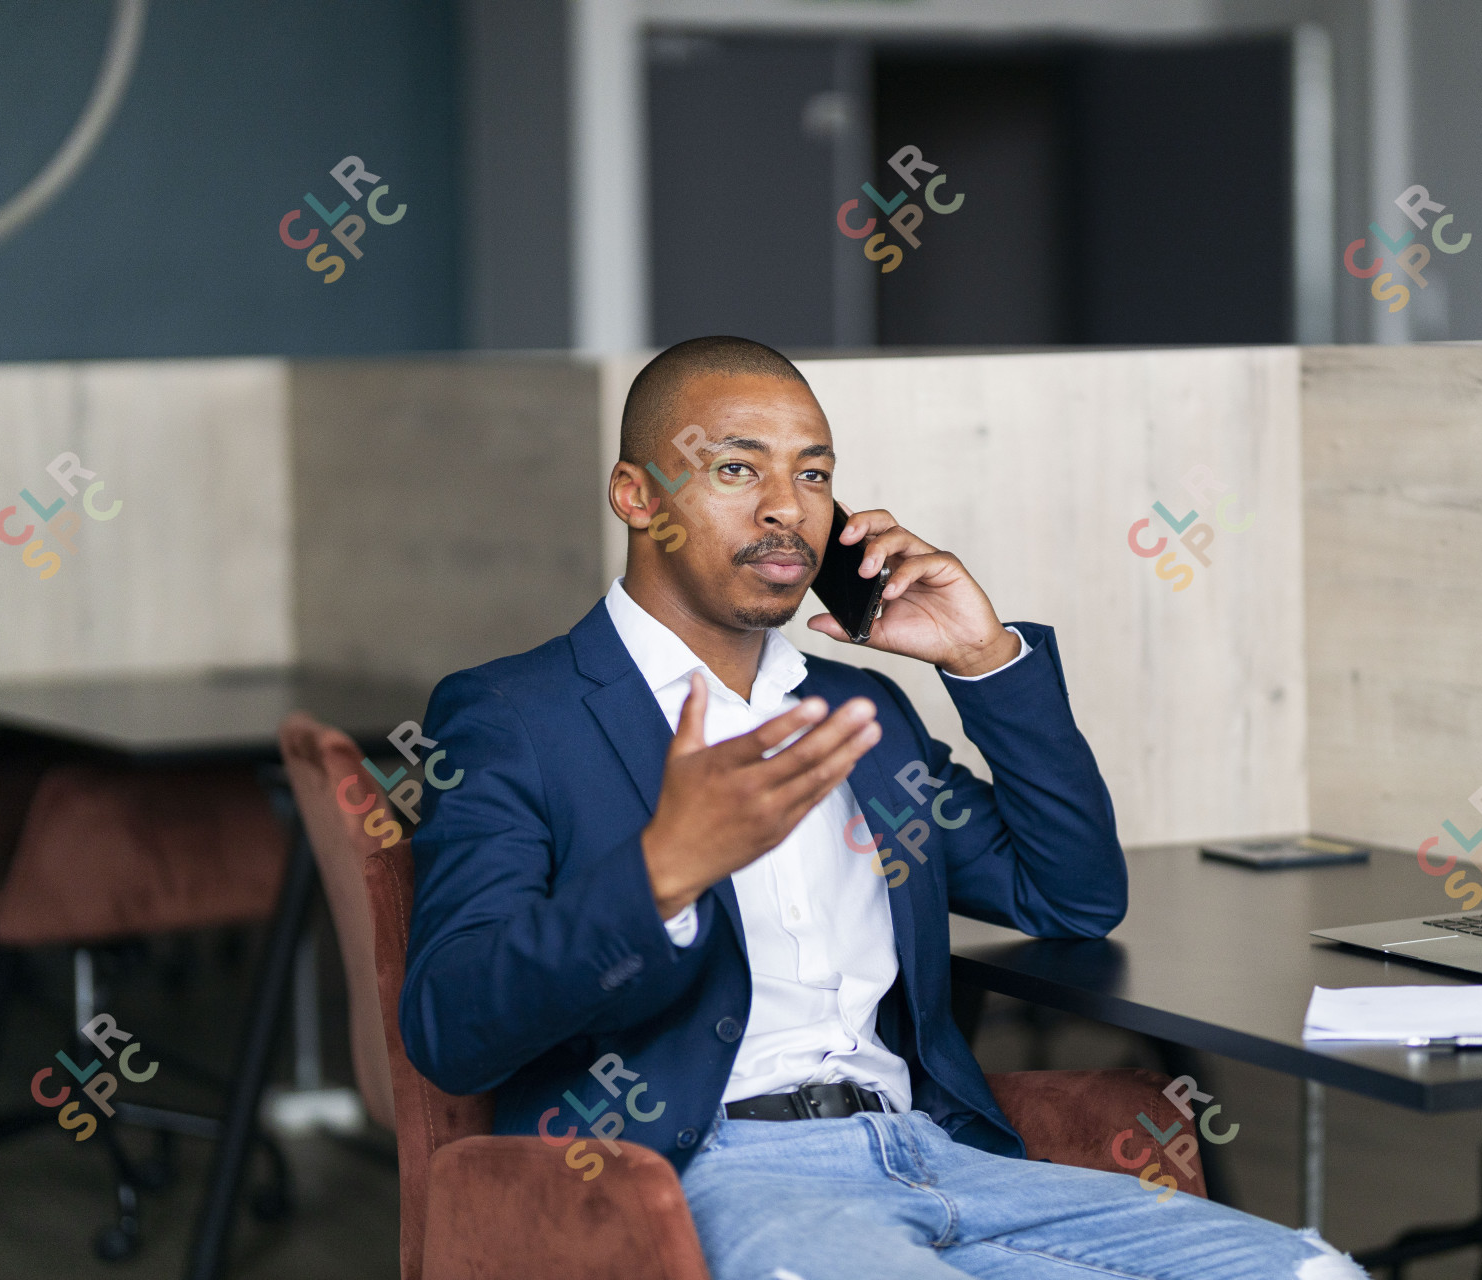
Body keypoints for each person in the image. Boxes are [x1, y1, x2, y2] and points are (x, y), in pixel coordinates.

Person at [399, 336, 1365, 1279]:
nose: (788, 508)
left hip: (939, 1158)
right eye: (738, 470)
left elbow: (1069, 897)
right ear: (637, 494)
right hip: (714, 1174)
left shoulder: (860, 714)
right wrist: (662, 874)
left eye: (814, 475)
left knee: (1306, 1269)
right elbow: (453, 1025)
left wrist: (985, 662)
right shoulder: (515, 716)